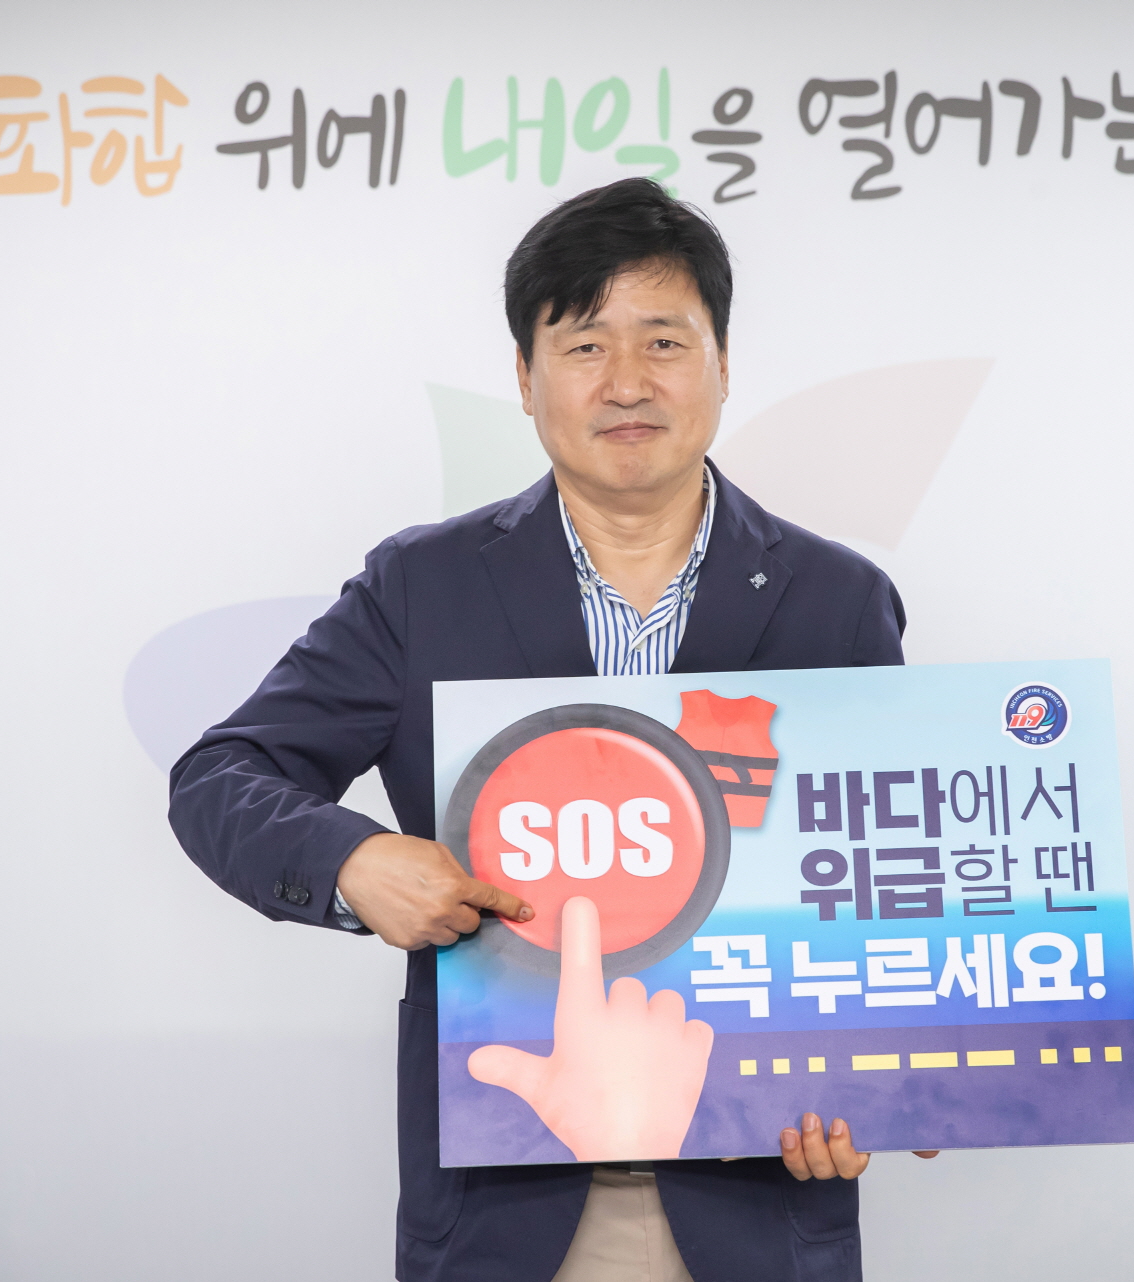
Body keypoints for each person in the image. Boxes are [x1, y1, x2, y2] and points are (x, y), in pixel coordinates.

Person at [169, 177, 935, 1282]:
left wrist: (902, 1074)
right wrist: (352, 863)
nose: (626, 381)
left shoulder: (837, 600)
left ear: (723, 363)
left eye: (663, 341)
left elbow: (882, 881)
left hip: (758, 1209)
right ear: (526, 380)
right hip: (504, 1212)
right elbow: (220, 775)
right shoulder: (421, 586)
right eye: (583, 345)